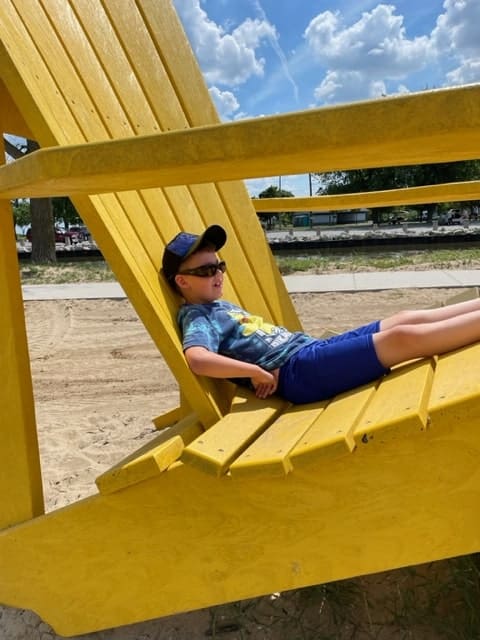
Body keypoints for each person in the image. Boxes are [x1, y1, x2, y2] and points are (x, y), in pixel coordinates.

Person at [162, 225, 480, 404]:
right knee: (402, 338)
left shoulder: (218, 305)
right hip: (296, 372)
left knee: (403, 318)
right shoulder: (197, 316)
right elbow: (198, 358)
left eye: (220, 266)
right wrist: (254, 372)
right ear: (182, 281)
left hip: (308, 351)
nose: (217, 273)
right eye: (206, 270)